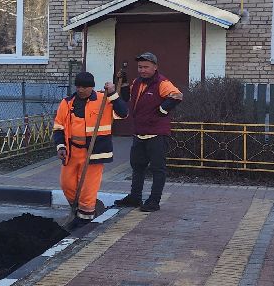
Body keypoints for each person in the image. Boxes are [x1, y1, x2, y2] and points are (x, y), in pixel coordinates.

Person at [54, 71, 127, 225]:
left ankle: (85, 219)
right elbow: (59, 126)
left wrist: (113, 94)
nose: (80, 90)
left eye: (84, 87)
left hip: (94, 152)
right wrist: (60, 146)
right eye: (78, 86)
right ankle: (79, 210)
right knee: (67, 184)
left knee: (87, 188)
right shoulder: (67, 103)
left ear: (92, 87)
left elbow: (123, 113)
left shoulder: (103, 100)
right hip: (71, 152)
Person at [115, 51, 183, 212]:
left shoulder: (162, 82)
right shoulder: (137, 82)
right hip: (139, 132)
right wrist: (124, 82)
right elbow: (127, 97)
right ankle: (135, 197)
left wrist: (162, 111)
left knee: (157, 169)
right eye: (140, 67)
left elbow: (177, 96)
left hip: (157, 134)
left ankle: (154, 201)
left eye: (146, 67)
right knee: (137, 166)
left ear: (155, 67)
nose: (142, 70)